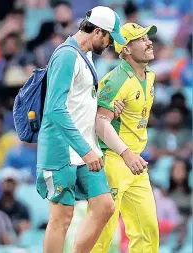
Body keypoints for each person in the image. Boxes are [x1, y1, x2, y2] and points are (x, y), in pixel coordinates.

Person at [36, 6, 125, 253]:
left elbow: (78, 102)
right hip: (62, 151)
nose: (109, 44)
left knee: (105, 206)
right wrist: (86, 150)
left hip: (85, 150)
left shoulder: (84, 55)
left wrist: (107, 110)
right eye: (108, 37)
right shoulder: (67, 55)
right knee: (61, 218)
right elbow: (55, 109)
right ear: (97, 31)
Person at [91, 23, 159, 253]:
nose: (149, 41)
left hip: (135, 162)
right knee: (103, 231)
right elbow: (100, 123)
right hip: (114, 160)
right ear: (126, 50)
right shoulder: (116, 80)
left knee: (147, 229)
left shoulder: (150, 76)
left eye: (147, 37)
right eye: (140, 39)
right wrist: (126, 154)